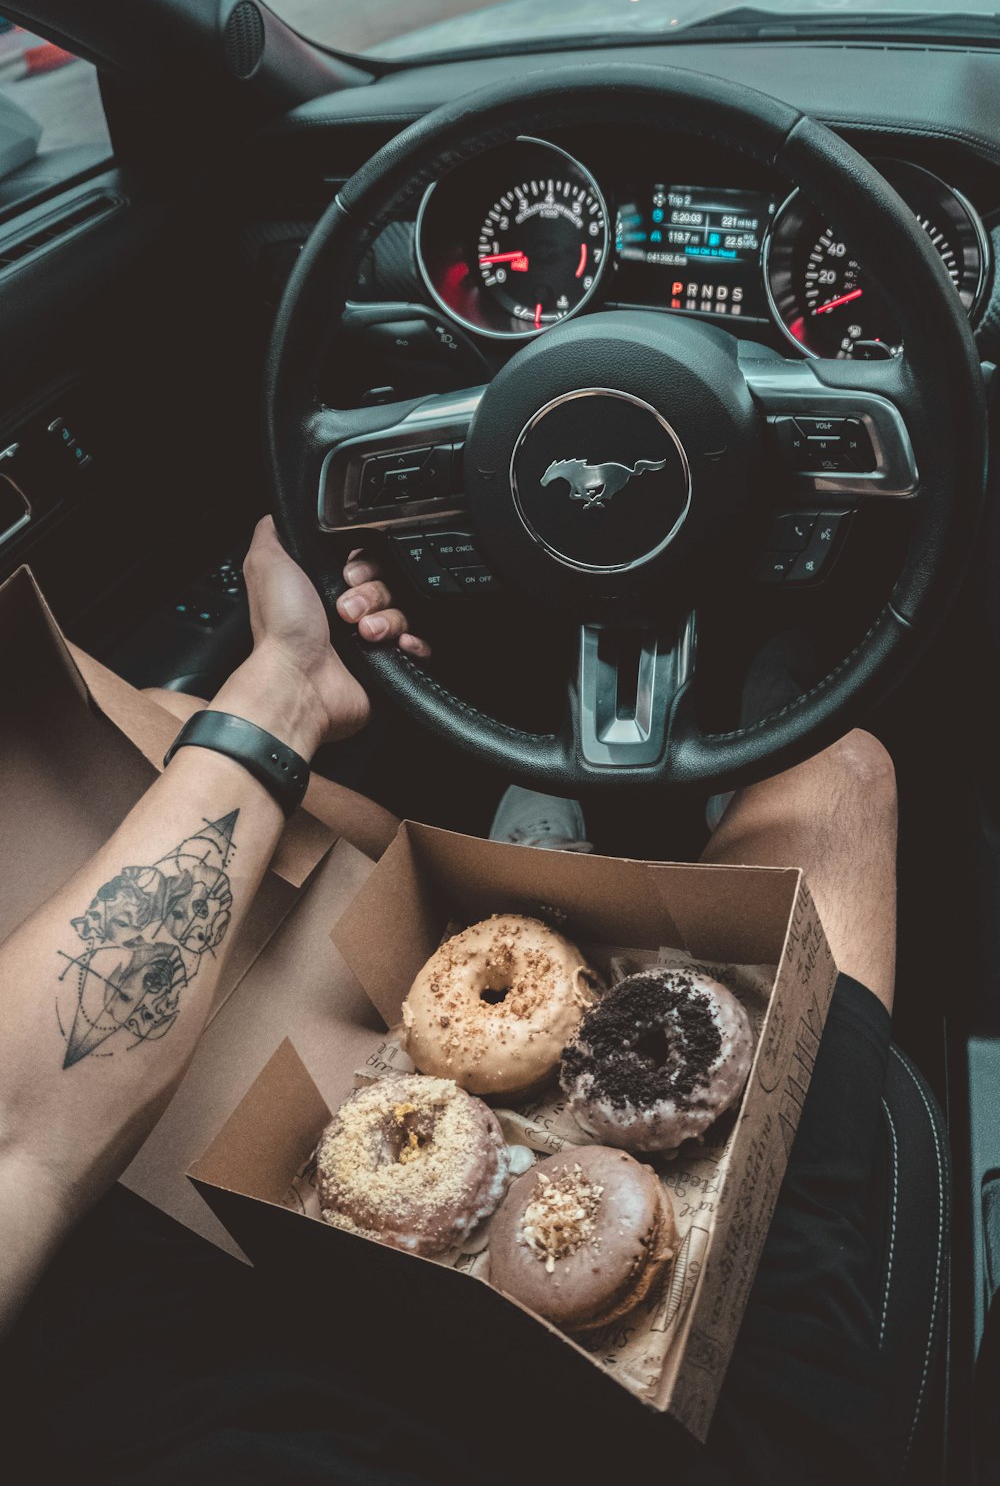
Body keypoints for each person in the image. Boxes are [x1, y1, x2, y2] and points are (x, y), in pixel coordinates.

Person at [0, 517, 915, 1483]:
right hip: (601, 1412)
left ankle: (546, 905)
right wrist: (283, 689)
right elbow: (22, 1140)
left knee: (160, 713)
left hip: (219, 1297)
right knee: (842, 773)